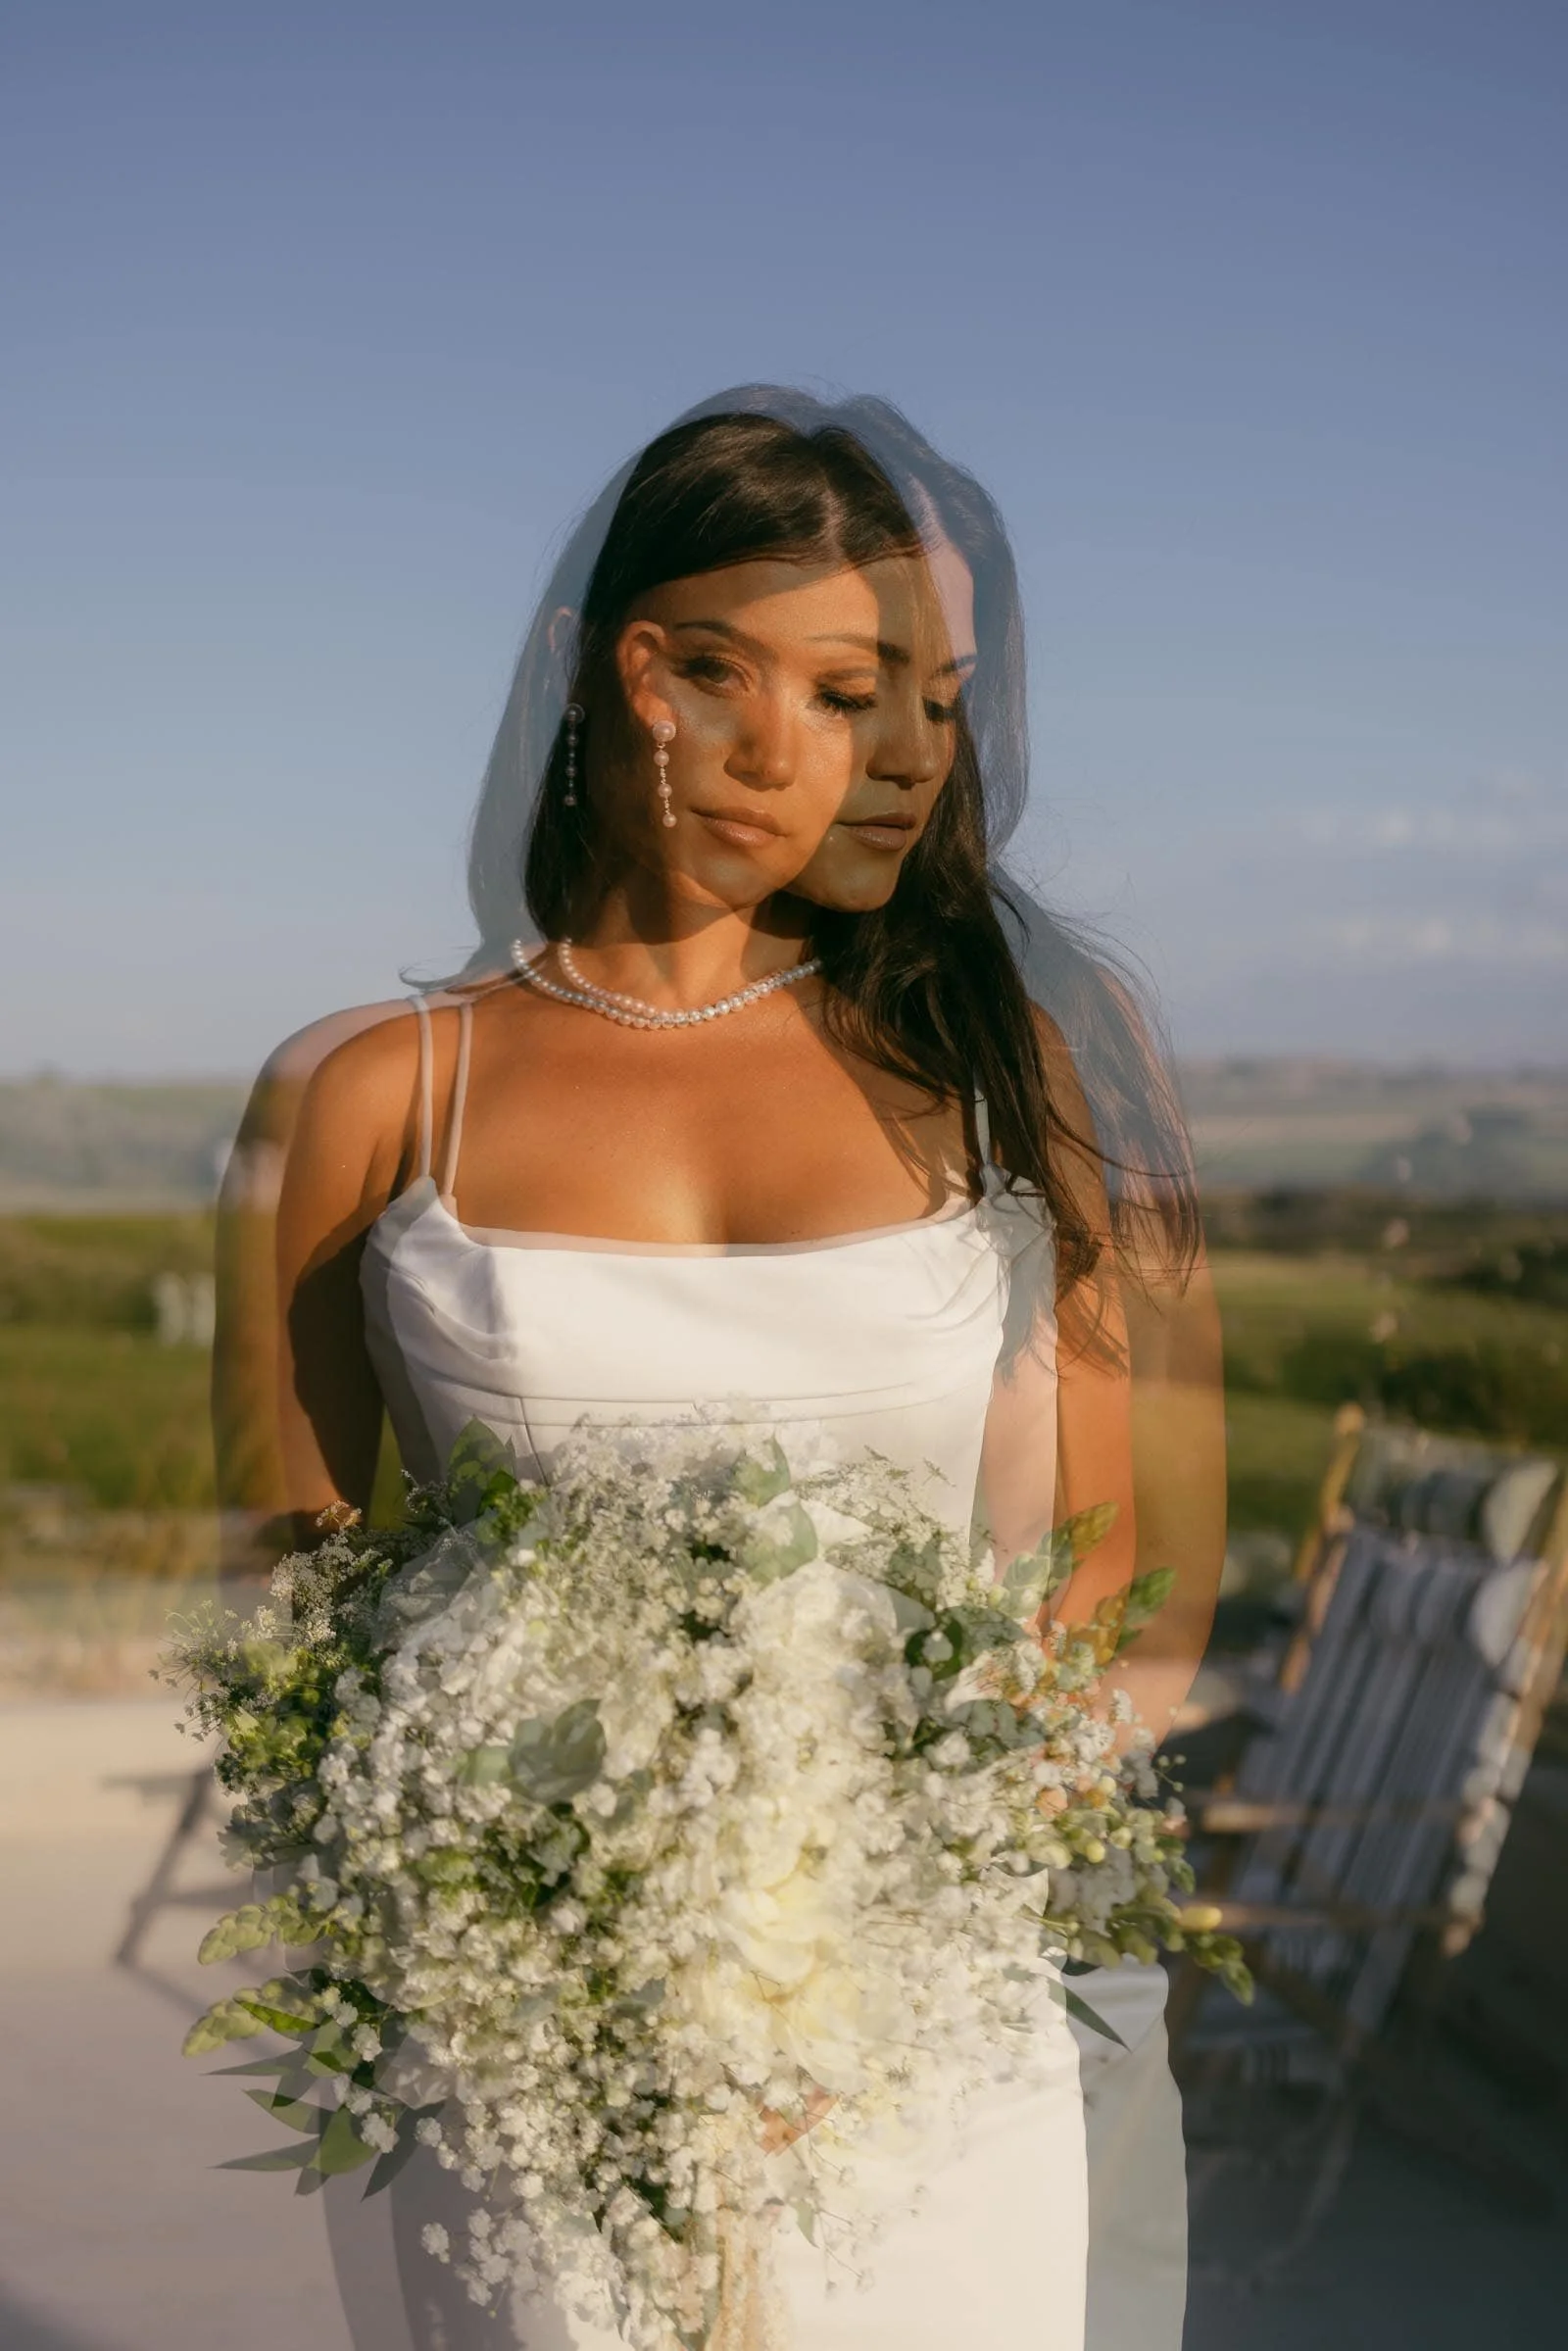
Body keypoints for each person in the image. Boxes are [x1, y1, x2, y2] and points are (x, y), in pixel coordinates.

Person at [214, 395, 1224, 2349]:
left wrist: (867, 1916)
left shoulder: (1013, 1067)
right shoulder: (372, 1094)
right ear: (628, 674)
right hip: (517, 2060)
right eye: (795, 683)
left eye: (895, 696)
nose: (852, 754)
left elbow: (1096, 1576)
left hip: (918, 2047)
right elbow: (312, 1596)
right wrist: (541, 1918)